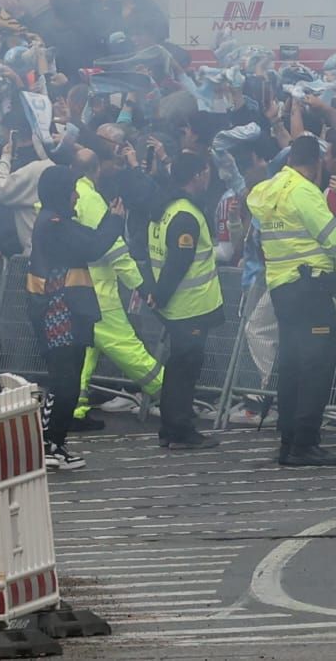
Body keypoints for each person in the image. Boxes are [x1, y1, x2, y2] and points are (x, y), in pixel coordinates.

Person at [246, 134, 336, 468]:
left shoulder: (269, 191)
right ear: (315, 163)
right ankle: (305, 443)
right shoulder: (304, 192)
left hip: (282, 287)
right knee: (316, 367)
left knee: (292, 365)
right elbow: (333, 238)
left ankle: (289, 441)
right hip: (311, 287)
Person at [27, 165, 128, 470]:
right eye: (71, 190)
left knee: (65, 381)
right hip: (60, 314)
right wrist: (115, 220)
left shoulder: (55, 221)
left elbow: (90, 239)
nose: (75, 196)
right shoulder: (54, 224)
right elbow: (93, 245)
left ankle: (52, 443)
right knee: (64, 382)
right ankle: (51, 444)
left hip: (65, 313)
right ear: (60, 193)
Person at [72, 147, 162, 428]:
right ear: (97, 168)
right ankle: (169, 392)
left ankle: (73, 407)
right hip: (100, 293)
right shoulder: (92, 201)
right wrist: (142, 285)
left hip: (75, 288)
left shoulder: (69, 196)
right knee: (128, 347)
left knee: (84, 351)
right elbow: (116, 253)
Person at [146, 152, 225, 450]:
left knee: (178, 367)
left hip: (177, 305)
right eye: (206, 171)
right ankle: (180, 430)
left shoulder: (165, 208)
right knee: (184, 369)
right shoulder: (185, 215)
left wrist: (157, 294)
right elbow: (178, 262)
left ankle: (170, 428)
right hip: (189, 306)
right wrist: (162, 295)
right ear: (197, 175)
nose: (208, 177)